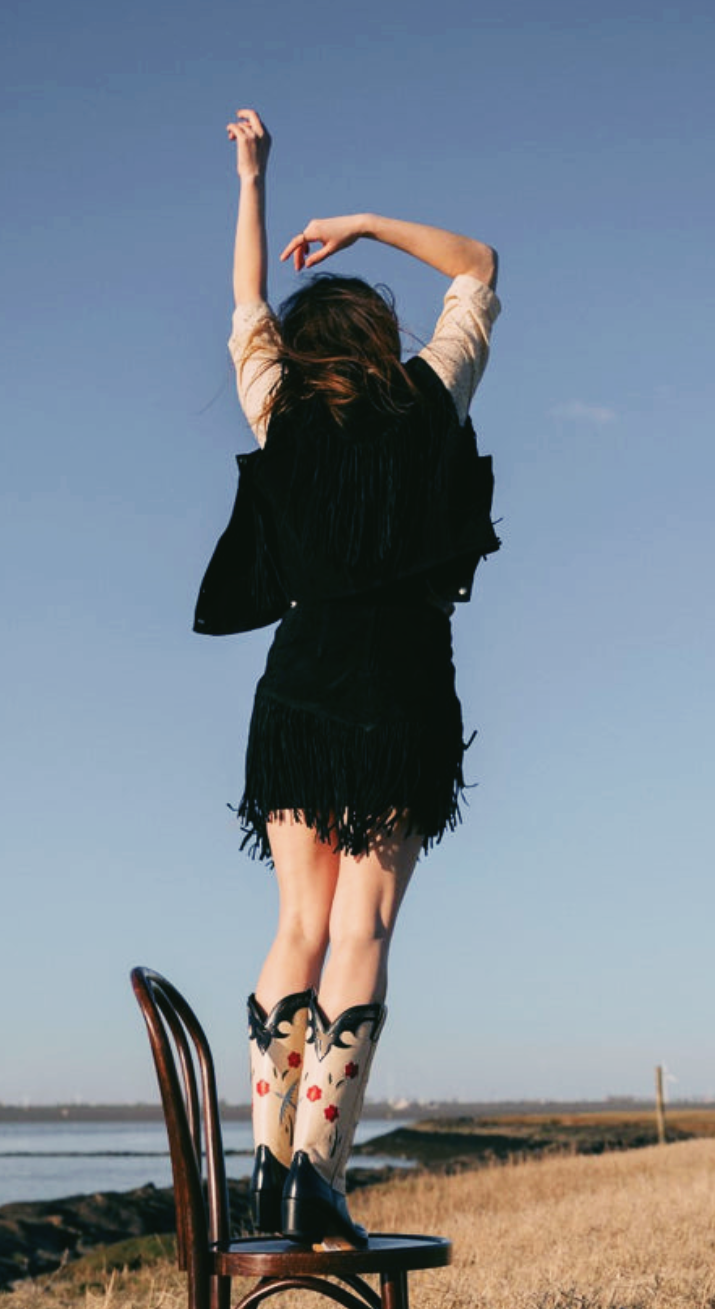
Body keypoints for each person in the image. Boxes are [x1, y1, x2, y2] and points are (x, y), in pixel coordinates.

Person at [195, 109, 501, 1248]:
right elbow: (479, 269)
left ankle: (267, 1164)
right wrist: (365, 224)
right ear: (377, 340)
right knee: (364, 923)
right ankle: (316, 1169)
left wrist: (253, 182)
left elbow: (245, 316)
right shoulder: (428, 403)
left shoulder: (282, 419)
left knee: (299, 923)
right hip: (404, 701)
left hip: (301, 700)